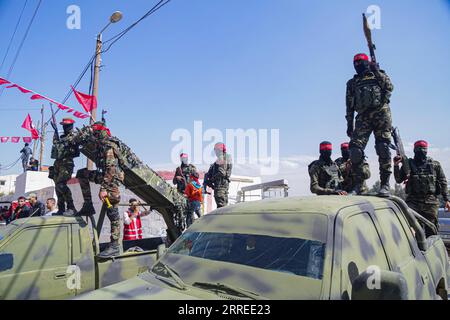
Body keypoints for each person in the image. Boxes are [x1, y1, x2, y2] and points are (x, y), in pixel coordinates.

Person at [70, 121, 124, 258]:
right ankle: (88, 204)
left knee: (112, 213)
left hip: (112, 181)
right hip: (106, 177)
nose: (94, 136)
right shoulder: (101, 146)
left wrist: (104, 188)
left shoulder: (108, 146)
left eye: (95, 133)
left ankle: (115, 245)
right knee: (82, 174)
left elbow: (111, 169)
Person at [346, 53, 394, 196]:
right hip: (363, 118)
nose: (357, 65)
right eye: (355, 62)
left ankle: (385, 184)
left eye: (360, 62)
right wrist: (349, 124)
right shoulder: (352, 82)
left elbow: (390, 87)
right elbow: (349, 105)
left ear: (367, 62)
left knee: (383, 147)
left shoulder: (378, 75)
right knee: (355, 150)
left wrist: (377, 71)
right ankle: (359, 184)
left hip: (381, 115)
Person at [394, 140, 450, 237]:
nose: (421, 151)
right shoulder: (409, 164)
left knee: (431, 232)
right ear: (414, 150)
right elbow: (399, 179)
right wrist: (396, 165)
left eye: (423, 149)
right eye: (419, 149)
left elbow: (443, 182)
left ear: (427, 150)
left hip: (431, 203)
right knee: (412, 231)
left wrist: (447, 200)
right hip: (413, 202)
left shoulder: (435, 165)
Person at [49, 118, 80, 216]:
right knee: (57, 186)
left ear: (71, 126)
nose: (65, 127)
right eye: (63, 125)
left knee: (61, 185)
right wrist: (55, 131)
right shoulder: (61, 137)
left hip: (67, 163)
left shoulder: (74, 136)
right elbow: (56, 145)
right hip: (58, 162)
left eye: (67, 126)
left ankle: (71, 207)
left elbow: (76, 145)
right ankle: (61, 208)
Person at [204, 143, 232, 208]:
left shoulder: (221, 158)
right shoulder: (225, 158)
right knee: (222, 208)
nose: (215, 152)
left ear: (219, 150)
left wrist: (211, 180)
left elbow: (221, 172)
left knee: (221, 209)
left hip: (220, 187)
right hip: (222, 187)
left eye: (216, 150)